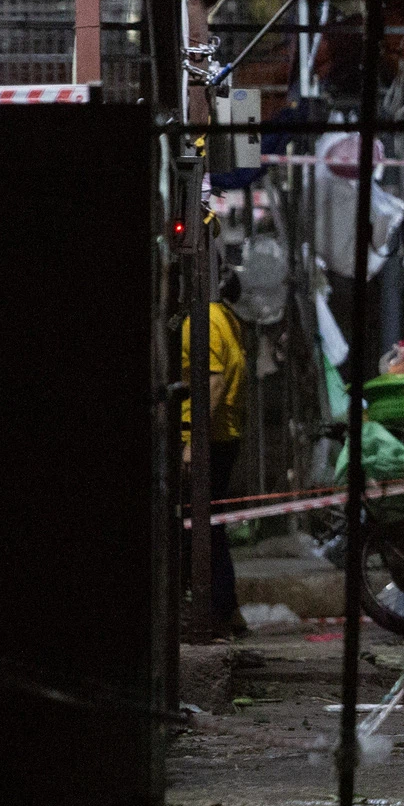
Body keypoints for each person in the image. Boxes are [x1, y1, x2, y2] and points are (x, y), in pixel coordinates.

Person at [182, 270, 246, 638]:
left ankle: (215, 610)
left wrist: (194, 442)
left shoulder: (199, 322)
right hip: (224, 435)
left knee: (197, 528)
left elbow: (214, 380)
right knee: (209, 524)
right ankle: (226, 609)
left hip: (207, 436)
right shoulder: (226, 319)